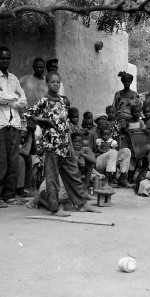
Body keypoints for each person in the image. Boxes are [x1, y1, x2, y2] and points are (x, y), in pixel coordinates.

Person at [25, 71, 100, 216]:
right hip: (52, 146)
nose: (55, 84)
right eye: (52, 82)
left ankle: (82, 204)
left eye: (58, 82)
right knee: (52, 178)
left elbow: (66, 125)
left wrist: (71, 146)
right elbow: (28, 114)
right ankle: (54, 208)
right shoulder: (44, 101)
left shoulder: (63, 101)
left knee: (74, 174)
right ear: (47, 84)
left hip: (65, 146)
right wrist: (45, 121)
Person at [0, 46, 27, 208]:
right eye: (2, 58)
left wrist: (10, 100)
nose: (5, 61)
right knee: (1, 162)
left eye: (7, 58)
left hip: (14, 123)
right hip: (1, 124)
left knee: (13, 161)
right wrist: (14, 99)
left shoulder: (14, 79)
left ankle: (8, 195)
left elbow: (23, 99)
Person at [89, 113, 133, 188]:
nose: (103, 121)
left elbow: (114, 146)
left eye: (104, 119)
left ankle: (122, 178)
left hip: (110, 159)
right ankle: (106, 182)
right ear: (96, 122)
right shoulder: (92, 133)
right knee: (112, 152)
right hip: (98, 161)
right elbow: (90, 152)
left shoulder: (108, 131)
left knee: (126, 151)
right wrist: (102, 153)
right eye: (100, 120)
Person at [71, 132, 96, 199]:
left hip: (79, 171)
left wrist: (83, 155)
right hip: (70, 174)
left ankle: (85, 191)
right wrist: (77, 157)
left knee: (90, 164)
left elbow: (94, 161)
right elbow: (82, 163)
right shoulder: (71, 150)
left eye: (79, 142)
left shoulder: (82, 150)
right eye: (75, 142)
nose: (78, 144)